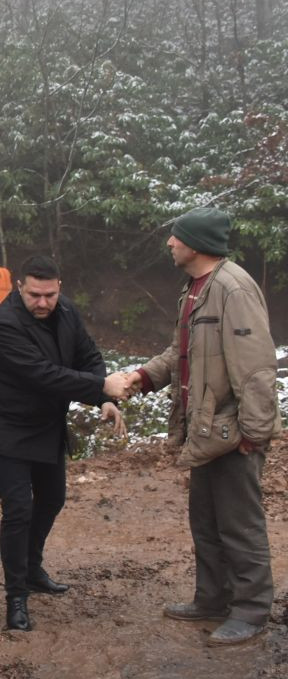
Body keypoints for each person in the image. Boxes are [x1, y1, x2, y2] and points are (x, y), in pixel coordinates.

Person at [125, 207, 280, 646]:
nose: (170, 243)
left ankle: (251, 610)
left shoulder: (234, 289)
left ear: (194, 244)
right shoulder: (195, 289)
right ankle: (213, 599)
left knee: (239, 522)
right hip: (206, 431)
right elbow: (180, 352)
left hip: (233, 432)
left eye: (176, 237)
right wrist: (143, 377)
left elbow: (256, 368)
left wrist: (254, 431)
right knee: (207, 520)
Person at [0, 255, 128, 633]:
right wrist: (100, 387)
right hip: (8, 425)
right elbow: (43, 375)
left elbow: (87, 355)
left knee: (52, 498)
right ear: (20, 289)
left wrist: (104, 397)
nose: (42, 303)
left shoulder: (67, 313)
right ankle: (16, 596)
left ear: (59, 288)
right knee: (18, 509)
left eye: (49, 295)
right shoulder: (5, 325)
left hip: (46, 423)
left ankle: (31, 569)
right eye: (34, 295)